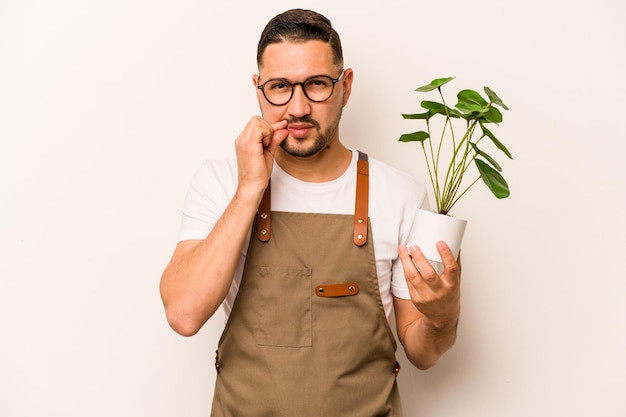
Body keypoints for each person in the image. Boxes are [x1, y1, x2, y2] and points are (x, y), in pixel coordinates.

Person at [159, 8, 461, 417]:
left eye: (316, 84)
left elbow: (422, 352)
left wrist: (442, 318)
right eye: (280, 87)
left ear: (345, 85)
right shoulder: (219, 182)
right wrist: (250, 188)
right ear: (258, 89)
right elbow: (184, 314)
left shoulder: (400, 194)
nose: (297, 107)